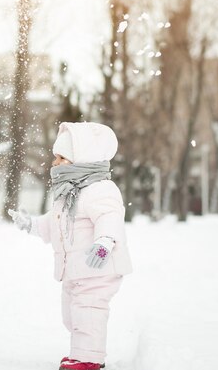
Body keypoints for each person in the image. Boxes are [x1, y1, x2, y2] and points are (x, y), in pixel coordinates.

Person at [8, 122, 132, 370]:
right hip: (76, 271)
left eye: (62, 157)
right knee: (72, 315)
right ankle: (81, 352)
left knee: (89, 311)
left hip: (98, 268)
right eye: (55, 157)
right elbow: (56, 222)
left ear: (83, 158)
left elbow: (110, 217)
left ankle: (88, 358)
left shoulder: (100, 189)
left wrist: (104, 242)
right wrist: (31, 224)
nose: (55, 163)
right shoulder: (69, 193)